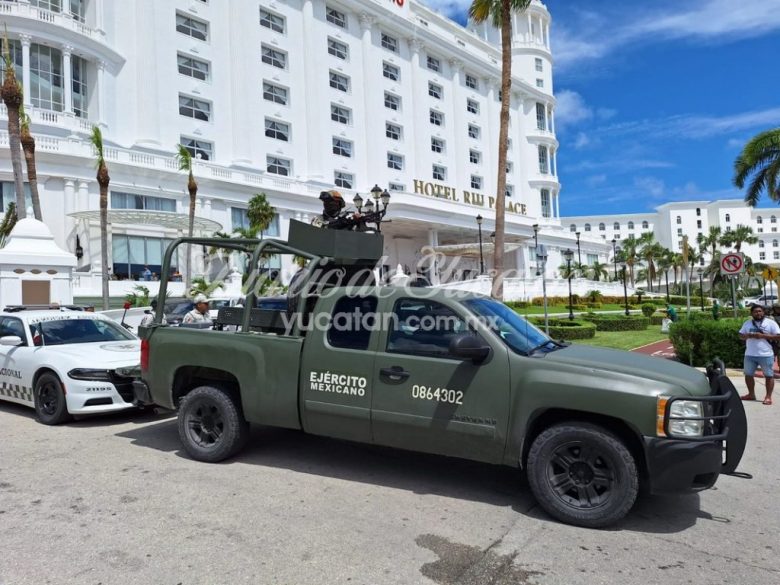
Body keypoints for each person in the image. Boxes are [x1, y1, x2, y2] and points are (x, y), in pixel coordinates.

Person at [739, 303, 780, 405]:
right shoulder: (747, 323)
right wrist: (747, 335)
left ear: (763, 312)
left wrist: (762, 336)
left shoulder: (770, 323)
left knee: (769, 375)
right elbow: (740, 335)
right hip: (750, 354)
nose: (758, 313)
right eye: (755, 311)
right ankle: (751, 394)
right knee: (748, 375)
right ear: (751, 313)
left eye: (760, 311)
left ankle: (768, 397)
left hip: (766, 354)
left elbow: (778, 336)